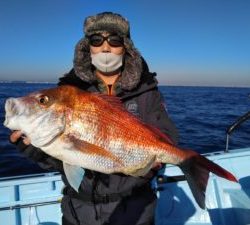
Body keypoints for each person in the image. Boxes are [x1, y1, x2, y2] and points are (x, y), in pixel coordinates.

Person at [10, 12, 178, 225]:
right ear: (87, 47)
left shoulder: (147, 91)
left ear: (125, 46)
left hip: (136, 212)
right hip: (79, 213)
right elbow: (65, 159)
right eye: (96, 40)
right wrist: (39, 153)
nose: (105, 47)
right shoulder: (69, 91)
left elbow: (168, 139)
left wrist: (146, 168)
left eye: (115, 40)